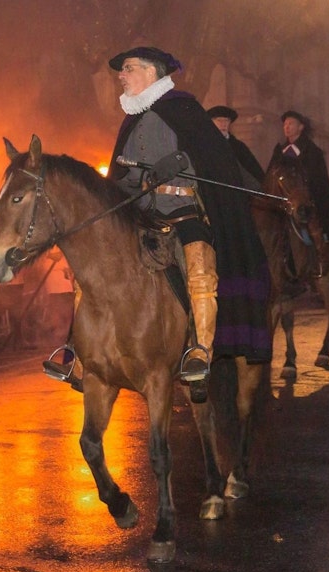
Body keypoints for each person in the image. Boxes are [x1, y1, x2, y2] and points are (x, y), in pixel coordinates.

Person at [106, 46, 271, 402]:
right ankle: (82, 347)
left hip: (182, 209)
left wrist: (180, 159)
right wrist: (122, 183)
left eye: (128, 68)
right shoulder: (131, 118)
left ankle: (200, 350)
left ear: (152, 72)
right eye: (122, 70)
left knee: (198, 263)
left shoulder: (184, 108)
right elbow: (123, 173)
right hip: (140, 214)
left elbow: (213, 158)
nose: (122, 75)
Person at [267, 110, 329, 244]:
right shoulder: (279, 151)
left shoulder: (312, 152)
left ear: (300, 127)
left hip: (307, 201)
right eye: (285, 124)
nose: (287, 127)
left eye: (290, 124)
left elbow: (320, 182)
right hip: (284, 202)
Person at [206, 105, 265, 187]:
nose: (223, 124)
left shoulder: (239, 147)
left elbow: (254, 171)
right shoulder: (205, 145)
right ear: (211, 122)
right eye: (219, 120)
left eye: (227, 120)